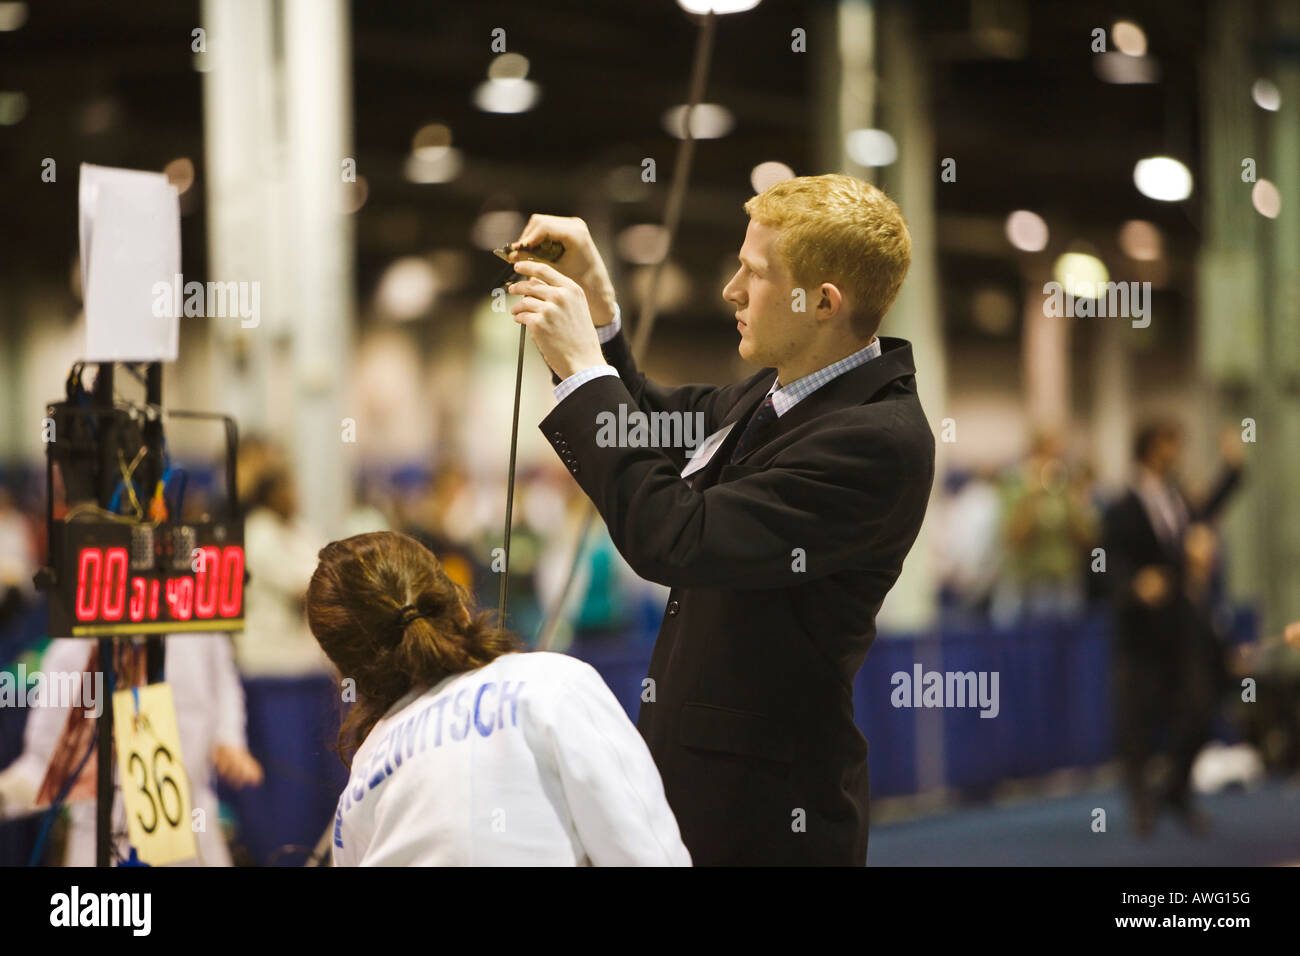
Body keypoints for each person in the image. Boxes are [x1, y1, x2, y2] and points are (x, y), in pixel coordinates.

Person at [504, 173, 934, 864]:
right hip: (706, 799)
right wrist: (601, 313)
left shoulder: (874, 441)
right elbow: (642, 426)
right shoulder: (776, 394)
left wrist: (587, 369)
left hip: (769, 820)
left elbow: (677, 535)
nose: (732, 290)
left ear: (822, 302)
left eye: (754, 273)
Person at [305, 531, 689, 866]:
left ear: (344, 670)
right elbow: (648, 853)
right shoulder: (554, 685)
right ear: (456, 599)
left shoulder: (365, 772)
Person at [1103, 421, 1243, 837]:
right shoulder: (1121, 505)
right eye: (1169, 443)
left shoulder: (1178, 498)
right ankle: (1143, 806)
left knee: (1199, 710)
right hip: (1141, 633)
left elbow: (1206, 512)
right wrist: (1134, 584)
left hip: (1183, 629)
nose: (1176, 452)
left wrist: (1233, 469)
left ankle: (1176, 791)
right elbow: (1100, 562)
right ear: (1149, 447)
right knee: (1138, 724)